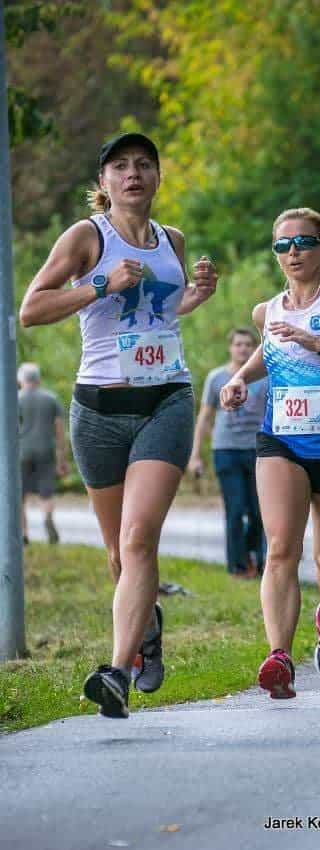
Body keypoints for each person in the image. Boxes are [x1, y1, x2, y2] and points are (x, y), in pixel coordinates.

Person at [19, 133, 218, 718]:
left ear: (157, 177)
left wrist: (195, 296)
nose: (133, 174)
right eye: (121, 166)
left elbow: (161, 312)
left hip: (166, 401)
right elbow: (32, 309)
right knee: (117, 553)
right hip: (99, 409)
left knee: (137, 540)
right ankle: (147, 630)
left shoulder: (172, 240)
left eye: (144, 165)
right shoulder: (86, 237)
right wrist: (101, 283)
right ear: (103, 182)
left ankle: (115, 672)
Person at [220, 207, 320, 699]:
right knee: (280, 549)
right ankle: (280, 657)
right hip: (281, 440)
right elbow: (268, 353)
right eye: (282, 245)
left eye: (303, 243)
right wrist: (238, 378)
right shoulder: (266, 311)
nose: (292, 253)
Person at [189, 328, 267, 578]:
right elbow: (205, 417)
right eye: (238, 344)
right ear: (230, 348)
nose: (243, 349)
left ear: (255, 349)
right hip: (226, 449)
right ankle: (238, 566)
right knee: (235, 510)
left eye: (248, 345)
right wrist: (195, 455)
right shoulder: (217, 377)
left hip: (259, 450)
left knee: (258, 511)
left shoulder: (265, 377)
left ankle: (258, 558)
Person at [18, 362, 69, 544]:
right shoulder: (51, 398)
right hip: (46, 450)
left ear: (21, 380)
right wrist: (62, 459)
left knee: (19, 495)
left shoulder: (15, 399)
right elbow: (60, 431)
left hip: (21, 451)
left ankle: (24, 534)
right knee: (46, 492)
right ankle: (47, 517)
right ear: (38, 379)